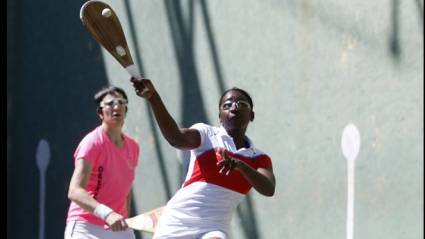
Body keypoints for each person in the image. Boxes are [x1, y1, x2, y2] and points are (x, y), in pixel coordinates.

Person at [131, 77, 276, 239]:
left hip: (214, 225)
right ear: (220, 116)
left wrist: (240, 166)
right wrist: (153, 97)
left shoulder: (260, 158)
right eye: (227, 105)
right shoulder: (206, 134)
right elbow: (175, 138)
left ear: (252, 115)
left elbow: (268, 189)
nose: (234, 107)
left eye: (241, 104)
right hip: (179, 220)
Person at [65, 86, 139, 239]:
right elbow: (74, 191)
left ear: (126, 110)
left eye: (121, 102)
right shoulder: (92, 143)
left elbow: (126, 189)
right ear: (100, 112)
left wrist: (124, 218)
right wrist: (107, 213)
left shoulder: (133, 147)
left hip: (118, 227)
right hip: (85, 227)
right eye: (110, 103)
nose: (117, 106)